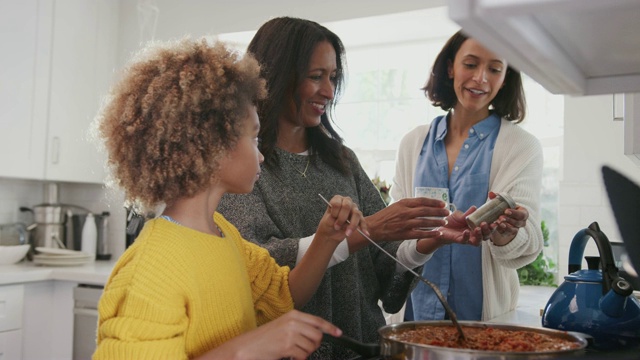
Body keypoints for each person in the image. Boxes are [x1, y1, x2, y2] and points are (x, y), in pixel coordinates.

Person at [92, 37, 369, 359]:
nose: (262, 155)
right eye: (253, 136)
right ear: (212, 146)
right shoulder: (148, 269)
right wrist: (244, 350)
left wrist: (326, 239)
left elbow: (283, 295)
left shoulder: (223, 234)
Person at [217, 17, 461, 359]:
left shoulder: (342, 161)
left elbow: (386, 270)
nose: (329, 92)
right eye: (316, 77)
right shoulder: (242, 167)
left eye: (333, 78)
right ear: (275, 75)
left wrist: (425, 240)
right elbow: (256, 269)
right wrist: (366, 230)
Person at [391, 30, 544, 322]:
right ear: (451, 68)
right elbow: (396, 237)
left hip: (484, 323)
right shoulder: (412, 144)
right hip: (412, 318)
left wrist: (508, 232)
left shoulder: (521, 147)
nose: (480, 78)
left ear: (505, 77)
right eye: (471, 64)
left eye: (494, 69)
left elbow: (529, 242)